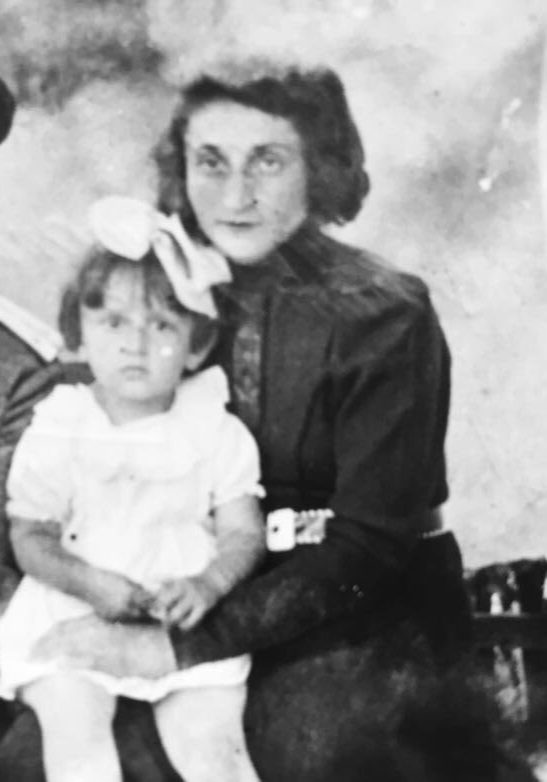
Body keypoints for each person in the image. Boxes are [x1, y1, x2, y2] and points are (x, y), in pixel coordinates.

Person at [0, 59, 535, 782]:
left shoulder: (383, 313)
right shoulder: (161, 291)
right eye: (210, 163)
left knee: (300, 752)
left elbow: (369, 546)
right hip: (190, 593)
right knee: (32, 760)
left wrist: (176, 648)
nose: (235, 196)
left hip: (356, 616)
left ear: (319, 165)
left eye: (268, 162)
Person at [0, 195, 265, 782]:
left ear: (197, 344)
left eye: (162, 326)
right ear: (80, 334)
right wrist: (91, 584)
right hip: (73, 604)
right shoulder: (63, 422)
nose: (135, 344)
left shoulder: (213, 428)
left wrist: (209, 583)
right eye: (113, 322)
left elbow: (243, 532)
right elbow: (30, 534)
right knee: (76, 735)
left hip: (183, 620)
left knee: (213, 750)